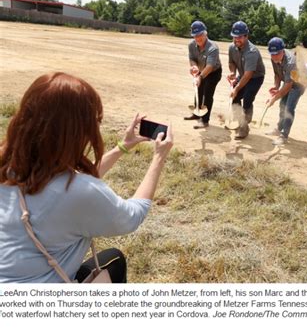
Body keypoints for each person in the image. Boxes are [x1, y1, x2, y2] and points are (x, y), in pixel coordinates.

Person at [0, 72, 173, 283]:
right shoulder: (79, 192)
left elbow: (65, 190)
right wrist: (158, 158)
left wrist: (122, 147)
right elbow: (132, 216)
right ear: (76, 132)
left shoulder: (11, 167)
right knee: (114, 260)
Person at [227, 21, 265, 139]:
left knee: (247, 99)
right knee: (235, 99)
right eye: (234, 37)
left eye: (239, 37)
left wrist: (237, 88)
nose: (236, 39)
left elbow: (248, 75)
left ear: (246, 36)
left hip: (255, 77)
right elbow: (231, 62)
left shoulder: (251, 52)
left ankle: (244, 127)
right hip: (243, 74)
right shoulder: (232, 47)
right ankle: (239, 122)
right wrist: (233, 72)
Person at [265, 37, 304, 145]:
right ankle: (279, 129)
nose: (274, 56)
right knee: (282, 104)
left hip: (298, 84)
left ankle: (284, 136)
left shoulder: (291, 62)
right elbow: (277, 74)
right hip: (288, 82)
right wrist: (276, 86)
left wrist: (273, 99)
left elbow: (288, 85)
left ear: (282, 50)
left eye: (276, 54)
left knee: (289, 108)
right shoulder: (274, 58)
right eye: (272, 54)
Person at [185, 20, 222, 129]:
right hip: (201, 70)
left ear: (206, 33)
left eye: (200, 35)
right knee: (198, 90)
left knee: (207, 94)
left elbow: (210, 67)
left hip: (213, 72)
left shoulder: (213, 47)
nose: (198, 38)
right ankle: (196, 114)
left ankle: (205, 121)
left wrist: (200, 77)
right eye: (195, 36)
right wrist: (194, 67)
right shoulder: (191, 45)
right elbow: (192, 58)